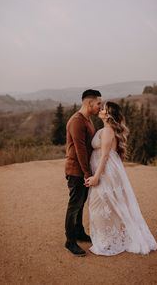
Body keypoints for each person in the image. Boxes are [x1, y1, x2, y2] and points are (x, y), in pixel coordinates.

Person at [85, 101, 157, 256]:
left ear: (109, 114)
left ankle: (107, 241)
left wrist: (96, 177)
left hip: (106, 173)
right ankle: (111, 238)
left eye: (103, 109)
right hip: (108, 171)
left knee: (98, 205)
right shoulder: (107, 129)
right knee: (108, 205)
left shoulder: (107, 131)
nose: (101, 110)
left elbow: (104, 156)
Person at [64, 89, 102, 256]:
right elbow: (80, 150)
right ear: (89, 103)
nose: (100, 106)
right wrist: (88, 174)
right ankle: (70, 241)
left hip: (83, 170)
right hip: (76, 171)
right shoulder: (76, 121)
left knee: (80, 205)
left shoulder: (88, 119)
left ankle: (79, 233)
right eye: (98, 103)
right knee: (74, 206)